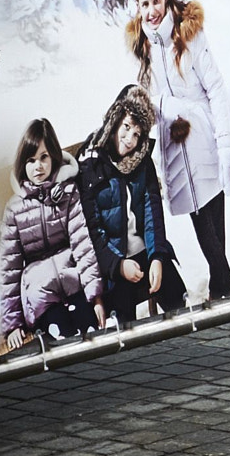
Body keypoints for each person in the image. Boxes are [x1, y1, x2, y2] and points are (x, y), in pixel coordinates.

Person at [129, 0, 230, 303]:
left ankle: (224, 284)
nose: (151, 11)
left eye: (156, 1)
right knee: (202, 208)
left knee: (207, 206)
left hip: (202, 134)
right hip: (173, 140)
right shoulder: (145, 47)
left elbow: (215, 87)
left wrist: (225, 142)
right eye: (144, 4)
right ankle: (221, 285)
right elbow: (146, 95)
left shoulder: (188, 34)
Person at [78, 84, 187, 326]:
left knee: (177, 298)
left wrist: (157, 256)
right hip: (113, 262)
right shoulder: (91, 164)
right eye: (126, 128)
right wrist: (117, 266)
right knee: (123, 321)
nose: (129, 140)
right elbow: (91, 231)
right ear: (115, 120)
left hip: (144, 251)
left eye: (137, 134)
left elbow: (152, 212)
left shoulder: (142, 161)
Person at [0, 118, 103, 347]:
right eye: (31, 160)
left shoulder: (67, 193)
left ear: (54, 156)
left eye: (44, 157)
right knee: (62, 336)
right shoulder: (15, 209)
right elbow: (10, 269)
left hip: (73, 282)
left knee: (90, 331)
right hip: (41, 294)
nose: (38, 166)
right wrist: (12, 323)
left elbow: (82, 243)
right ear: (22, 164)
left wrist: (95, 296)